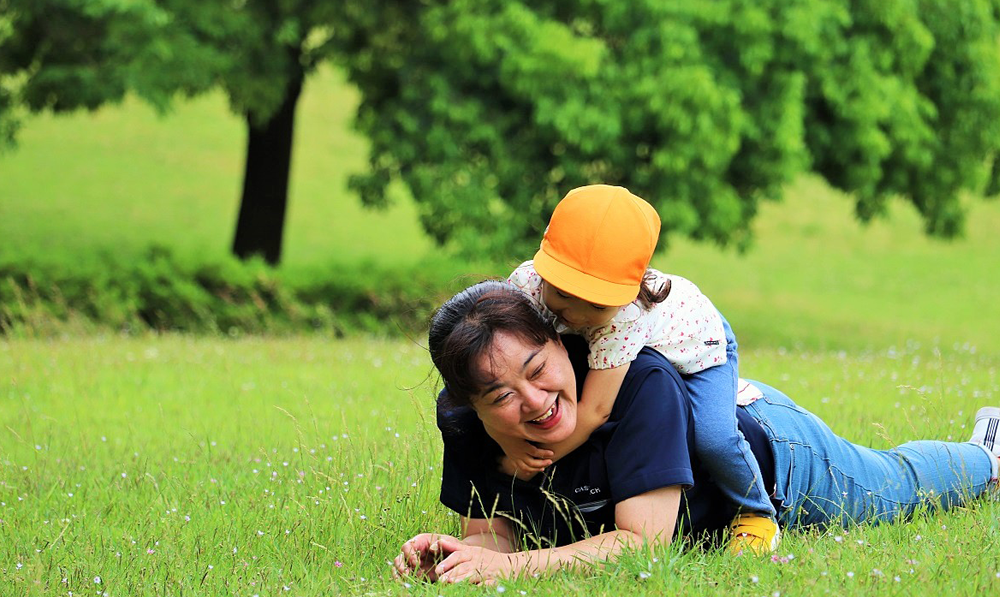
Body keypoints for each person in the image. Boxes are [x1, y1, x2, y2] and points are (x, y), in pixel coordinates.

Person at [393, 281, 1000, 585]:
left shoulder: (638, 383)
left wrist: (513, 571)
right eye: (501, 396)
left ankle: (986, 453)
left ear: (560, 338)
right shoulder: (463, 424)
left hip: (770, 452)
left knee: (894, 486)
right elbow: (497, 535)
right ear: (470, 405)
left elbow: (643, 544)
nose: (534, 402)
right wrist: (459, 554)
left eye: (538, 369)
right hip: (704, 421)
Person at [494, 184, 778, 552]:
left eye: (596, 303)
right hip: (639, 345)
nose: (576, 315)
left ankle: (756, 512)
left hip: (699, 345)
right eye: (563, 293)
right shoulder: (524, 285)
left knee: (713, 435)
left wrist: (537, 457)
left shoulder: (623, 320)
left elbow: (596, 410)